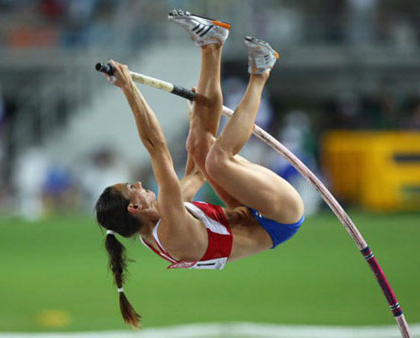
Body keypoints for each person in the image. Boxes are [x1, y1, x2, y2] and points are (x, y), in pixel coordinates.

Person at [95, 9, 304, 328]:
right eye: (131, 187)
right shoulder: (170, 229)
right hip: (278, 218)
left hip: (250, 211)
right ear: (135, 207)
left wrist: (197, 117)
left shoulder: (164, 220)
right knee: (219, 161)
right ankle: (261, 73)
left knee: (200, 146)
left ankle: (211, 45)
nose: (138, 183)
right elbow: (156, 145)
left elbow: (195, 174)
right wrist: (128, 88)